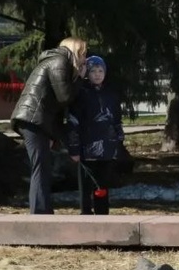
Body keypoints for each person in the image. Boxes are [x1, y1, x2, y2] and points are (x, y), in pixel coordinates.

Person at [11, 36, 87, 214]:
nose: (85, 59)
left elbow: (55, 105)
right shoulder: (59, 61)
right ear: (75, 52)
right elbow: (64, 97)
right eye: (83, 54)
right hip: (32, 119)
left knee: (42, 167)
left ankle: (43, 211)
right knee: (40, 167)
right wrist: (80, 79)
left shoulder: (56, 61)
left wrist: (54, 135)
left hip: (36, 120)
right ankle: (40, 213)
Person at [66, 56, 124, 215]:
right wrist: (74, 149)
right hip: (87, 149)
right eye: (93, 71)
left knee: (102, 185)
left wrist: (119, 140)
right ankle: (86, 213)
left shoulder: (110, 94)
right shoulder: (81, 94)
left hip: (107, 148)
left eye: (100, 71)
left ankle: (102, 213)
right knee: (87, 185)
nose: (97, 74)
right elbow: (73, 122)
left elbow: (116, 119)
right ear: (87, 73)